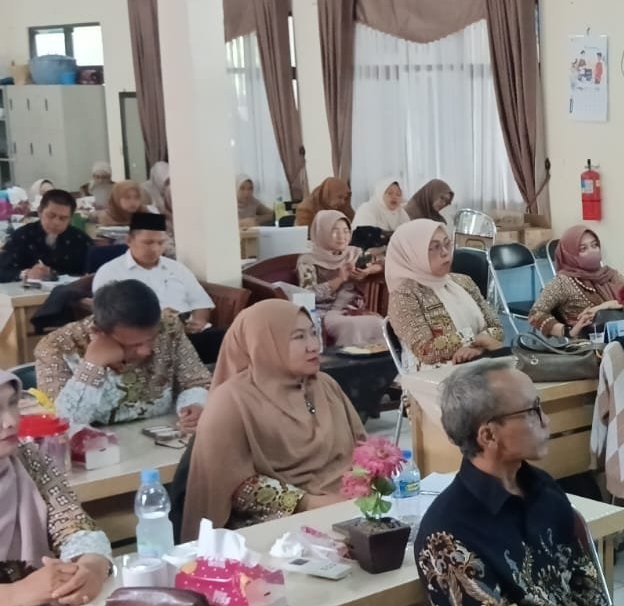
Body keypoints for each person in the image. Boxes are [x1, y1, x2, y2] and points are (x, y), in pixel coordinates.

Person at [415, 359, 621, 606]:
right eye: (533, 411)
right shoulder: (447, 532)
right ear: (488, 435)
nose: (547, 421)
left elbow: (586, 585)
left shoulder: (543, 489)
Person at [183, 300, 365, 539]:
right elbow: (232, 486)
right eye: (299, 337)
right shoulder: (231, 401)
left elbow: (362, 448)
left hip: (348, 508)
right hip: (275, 528)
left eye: (313, 333)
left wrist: (366, 482)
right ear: (263, 343)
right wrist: (308, 503)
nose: (314, 346)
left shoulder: (325, 386)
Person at [0, 369, 113, 606]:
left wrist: (91, 566)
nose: (10, 421)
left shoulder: (26, 457)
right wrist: (15, 593)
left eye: (12, 403)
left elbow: (73, 525)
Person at [35, 280, 209, 430]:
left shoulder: (168, 327)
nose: (146, 351)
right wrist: (92, 365)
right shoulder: (57, 347)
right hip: (96, 451)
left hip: (162, 439)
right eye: (133, 345)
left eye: (152, 338)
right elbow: (60, 425)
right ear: (98, 332)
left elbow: (196, 380)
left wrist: (194, 405)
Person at [92, 213, 222, 362]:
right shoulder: (110, 272)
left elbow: (201, 302)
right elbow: (110, 317)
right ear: (129, 240)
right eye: (148, 243)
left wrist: (199, 323)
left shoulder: (177, 268)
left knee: (226, 338)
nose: (155, 248)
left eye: (161, 243)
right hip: (146, 342)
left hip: (189, 335)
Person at [385, 220, 503, 367]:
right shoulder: (404, 295)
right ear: (413, 254)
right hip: (435, 373)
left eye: (447, 244)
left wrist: (477, 349)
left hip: (479, 359)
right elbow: (426, 351)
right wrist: (478, 340)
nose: (445, 252)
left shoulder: (463, 281)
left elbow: (498, 328)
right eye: (434, 247)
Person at [297, 211, 385, 347]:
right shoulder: (308, 260)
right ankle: (350, 358)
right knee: (351, 325)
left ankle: (377, 359)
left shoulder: (354, 253)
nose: (342, 237)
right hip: (323, 312)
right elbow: (308, 295)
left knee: (380, 323)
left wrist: (367, 271)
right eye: (335, 231)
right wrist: (339, 279)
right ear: (322, 232)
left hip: (352, 309)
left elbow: (383, 262)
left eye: (346, 231)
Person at [529, 226, 624, 338]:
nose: (592, 251)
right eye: (583, 249)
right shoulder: (563, 282)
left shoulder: (609, 274)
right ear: (569, 255)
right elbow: (535, 314)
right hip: (589, 343)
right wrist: (567, 331)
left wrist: (602, 307)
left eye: (594, 245)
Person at [0, 189, 91, 283]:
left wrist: (54, 274)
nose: (56, 222)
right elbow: (2, 270)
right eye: (51, 216)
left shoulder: (80, 240)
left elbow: (93, 273)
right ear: (40, 212)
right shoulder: (22, 236)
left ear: (70, 219)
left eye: (63, 218)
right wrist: (26, 274)